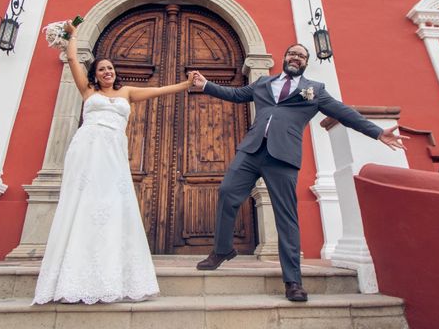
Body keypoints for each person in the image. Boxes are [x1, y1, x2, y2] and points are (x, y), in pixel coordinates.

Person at [192, 43, 407, 302]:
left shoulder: (315, 90)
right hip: (251, 151)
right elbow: (237, 94)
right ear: (284, 58)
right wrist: (206, 85)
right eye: (292, 53)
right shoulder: (263, 83)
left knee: (286, 217)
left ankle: (293, 281)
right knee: (227, 192)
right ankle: (223, 250)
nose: (296, 57)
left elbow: (344, 113)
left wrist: (376, 132)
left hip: (282, 157)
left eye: (301, 55)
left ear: (305, 62)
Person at [33, 20, 196, 304]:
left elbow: (161, 91)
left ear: (114, 72)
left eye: (110, 68)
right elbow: (72, 58)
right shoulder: (88, 92)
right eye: (101, 69)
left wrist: (186, 83)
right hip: (87, 148)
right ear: (95, 75)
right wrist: (73, 36)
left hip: (113, 152)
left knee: (111, 203)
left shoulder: (127, 93)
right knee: (83, 200)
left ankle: (110, 269)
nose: (107, 72)